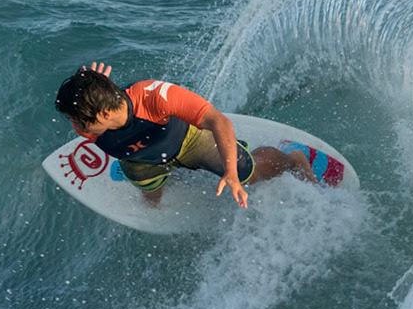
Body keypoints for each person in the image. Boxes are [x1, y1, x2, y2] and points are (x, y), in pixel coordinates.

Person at [54, 62, 316, 207]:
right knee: (149, 194)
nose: (76, 128)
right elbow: (90, 112)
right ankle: (164, 181)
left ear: (102, 115)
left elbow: (218, 121)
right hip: (139, 158)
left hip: (188, 142)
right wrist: (94, 88)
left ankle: (294, 159)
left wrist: (231, 174)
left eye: (78, 121)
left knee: (250, 175)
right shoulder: (90, 122)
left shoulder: (154, 97)